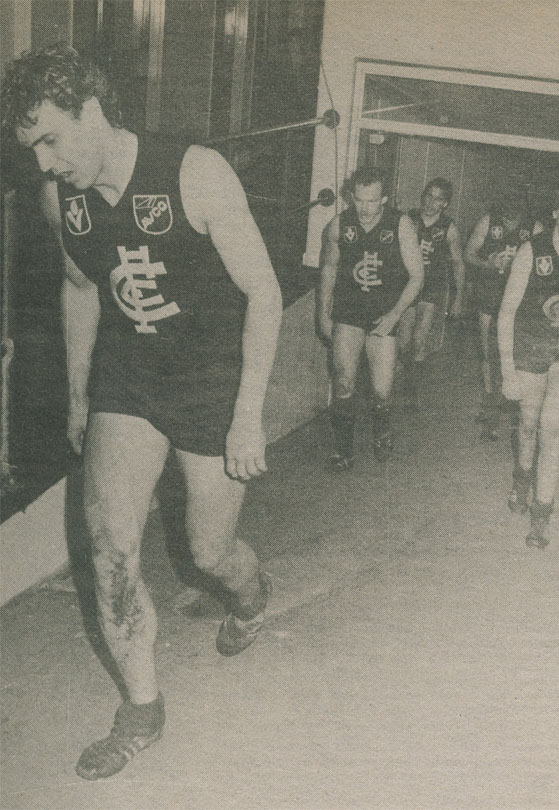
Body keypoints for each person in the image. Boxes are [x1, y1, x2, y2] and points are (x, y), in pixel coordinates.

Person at [2, 45, 282, 779]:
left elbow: (265, 293)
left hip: (211, 382)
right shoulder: (58, 199)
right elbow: (81, 288)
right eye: (29, 149)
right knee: (109, 547)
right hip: (130, 378)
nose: (43, 163)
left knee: (208, 553)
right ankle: (141, 709)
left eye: (51, 140)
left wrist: (249, 413)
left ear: (91, 111)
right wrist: (79, 395)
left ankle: (251, 597)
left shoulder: (195, 173)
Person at [498, 182, 559, 548]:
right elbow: (506, 312)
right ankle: (522, 478)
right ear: (555, 212)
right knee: (527, 424)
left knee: (550, 426)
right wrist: (507, 369)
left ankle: (542, 515)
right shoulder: (531, 250)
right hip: (530, 346)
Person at [318, 166, 423, 468]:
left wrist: (395, 315)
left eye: (372, 201)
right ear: (351, 196)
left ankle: (382, 428)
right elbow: (327, 269)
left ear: (384, 199)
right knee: (343, 383)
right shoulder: (339, 225)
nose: (364, 208)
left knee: (381, 390)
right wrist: (323, 313)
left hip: (383, 316)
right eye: (359, 200)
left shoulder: (400, 225)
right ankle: (344, 451)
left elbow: (417, 277)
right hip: (348, 314)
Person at [465, 192, 543, 440]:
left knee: (514, 352)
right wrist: (488, 264)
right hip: (490, 292)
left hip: (520, 299)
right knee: (489, 351)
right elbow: (468, 254)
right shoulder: (488, 222)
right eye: (507, 204)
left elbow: (545, 264)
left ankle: (510, 403)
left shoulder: (535, 228)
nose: (511, 210)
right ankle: (490, 402)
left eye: (517, 205)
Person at [397, 178, 465, 410]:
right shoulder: (408, 219)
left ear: (444, 204)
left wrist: (458, 297)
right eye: (428, 196)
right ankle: (404, 379)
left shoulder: (449, 228)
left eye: (437, 199)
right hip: (408, 285)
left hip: (432, 288)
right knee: (404, 340)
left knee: (419, 341)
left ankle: (411, 391)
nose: (430, 202)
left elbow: (457, 263)